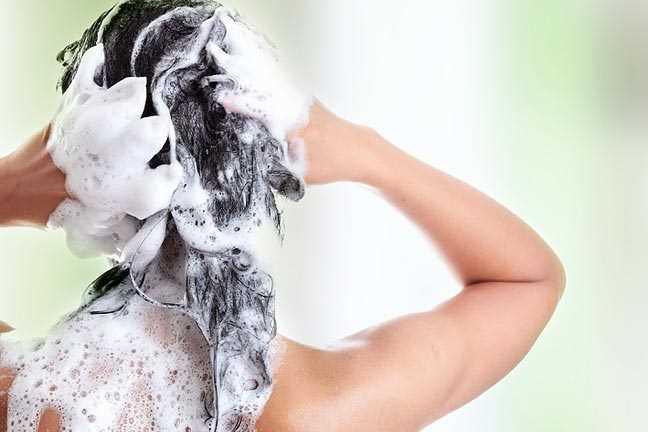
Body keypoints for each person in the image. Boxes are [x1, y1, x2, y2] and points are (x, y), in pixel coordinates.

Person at [0, 3, 565, 431]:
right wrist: (365, 151)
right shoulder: (319, 409)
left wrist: (14, 188)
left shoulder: (19, 396)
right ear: (260, 170)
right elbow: (526, 281)